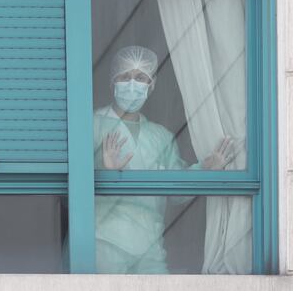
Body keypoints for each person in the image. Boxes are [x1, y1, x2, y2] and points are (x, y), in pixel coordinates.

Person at [94, 46, 235, 274]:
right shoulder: (93, 125)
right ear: (113, 81)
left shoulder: (161, 137)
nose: (132, 84)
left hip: (150, 243)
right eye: (125, 77)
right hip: (103, 239)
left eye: (141, 78)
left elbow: (176, 191)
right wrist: (102, 170)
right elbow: (70, 187)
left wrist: (205, 170)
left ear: (151, 85)